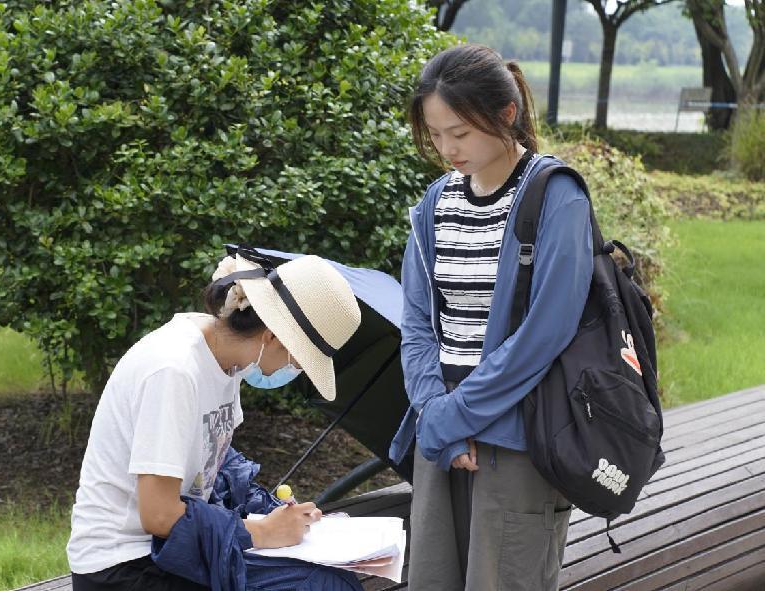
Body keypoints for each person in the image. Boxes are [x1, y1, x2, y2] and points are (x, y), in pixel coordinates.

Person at [387, 44, 594, 591]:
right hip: (442, 428)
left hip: (518, 430)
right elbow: (417, 322)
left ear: (507, 113)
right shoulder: (435, 204)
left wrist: (456, 416)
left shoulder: (555, 195)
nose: (446, 148)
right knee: (432, 578)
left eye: (459, 132)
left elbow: (546, 332)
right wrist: (434, 411)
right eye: (435, 134)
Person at [67, 247, 364, 591]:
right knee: (320, 586)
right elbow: (158, 515)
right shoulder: (174, 370)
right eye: (299, 362)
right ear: (272, 337)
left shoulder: (225, 361)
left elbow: (213, 461)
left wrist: (271, 511)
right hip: (125, 566)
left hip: (174, 550)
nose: (294, 371)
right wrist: (263, 532)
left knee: (331, 579)